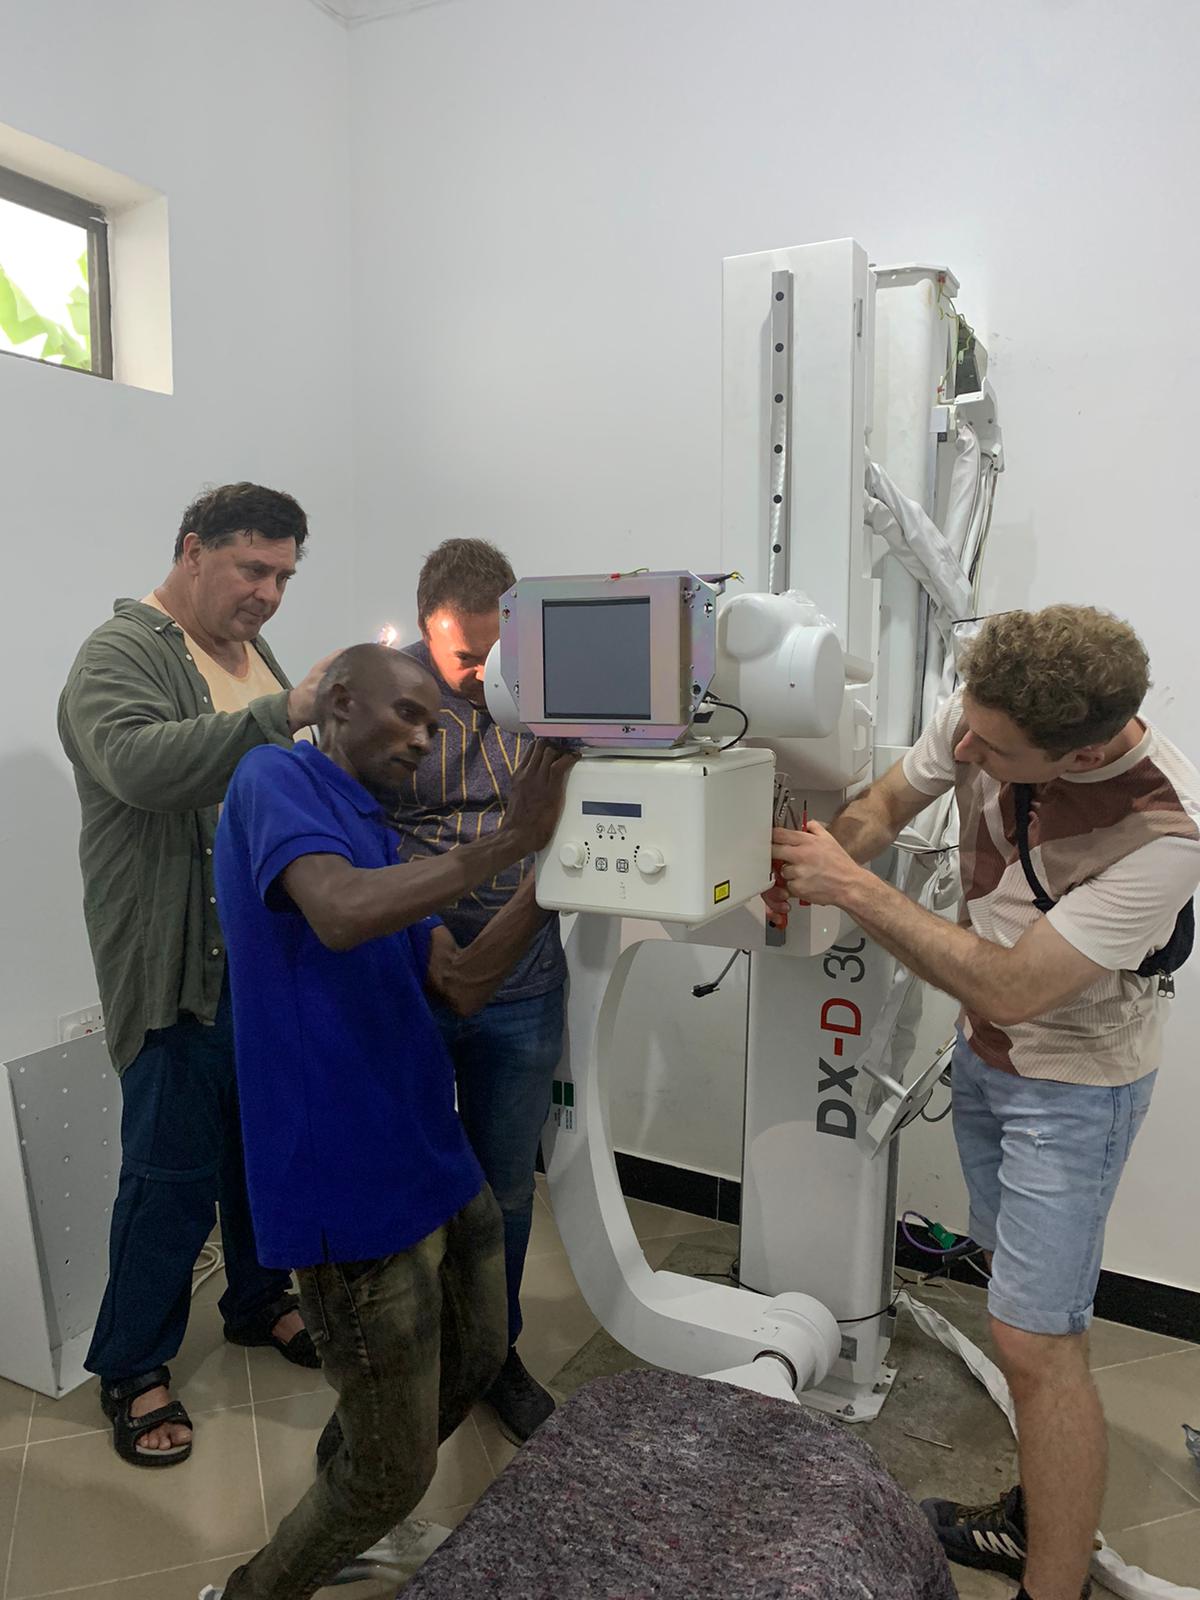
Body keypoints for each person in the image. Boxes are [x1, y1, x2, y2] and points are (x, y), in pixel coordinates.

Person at [767, 606, 1200, 1600]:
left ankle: (1054, 1586)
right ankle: (1035, 1520)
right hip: (989, 1060)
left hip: (1073, 1086)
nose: (965, 751)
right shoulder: (985, 713)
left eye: (994, 750)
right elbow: (888, 802)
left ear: (1082, 752)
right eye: (968, 726)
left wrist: (853, 890)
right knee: (1019, 1315)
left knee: (1038, 1347)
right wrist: (824, 860)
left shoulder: (1164, 831)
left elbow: (1011, 987)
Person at [203, 644, 572, 1600]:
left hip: (429, 1153)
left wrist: (556, 873)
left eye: (433, 725)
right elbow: (336, 913)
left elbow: (462, 983)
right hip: (343, 1175)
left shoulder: (380, 839)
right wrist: (505, 840)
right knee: (393, 1473)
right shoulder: (275, 777)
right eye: (406, 713)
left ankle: (351, 1499)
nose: (421, 737)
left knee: (479, 1352)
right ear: (338, 700)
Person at [57, 483, 337, 1468]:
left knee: (259, 1155)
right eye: (253, 569)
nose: (269, 593)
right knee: (169, 1179)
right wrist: (287, 711)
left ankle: (256, 1300)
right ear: (191, 551)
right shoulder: (120, 654)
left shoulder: (253, 654)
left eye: (284, 576)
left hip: (257, 964)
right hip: (173, 966)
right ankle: (132, 1366)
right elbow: (141, 765)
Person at [393, 537, 567, 1442]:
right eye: (467, 658)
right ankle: (413, 1358)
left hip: (524, 980)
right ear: (427, 627)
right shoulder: (386, 705)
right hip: (411, 981)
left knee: (505, 1189)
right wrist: (422, 932)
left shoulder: (547, 693)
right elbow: (363, 841)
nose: (484, 677)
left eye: (499, 656)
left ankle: (495, 1356)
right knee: (410, 1184)